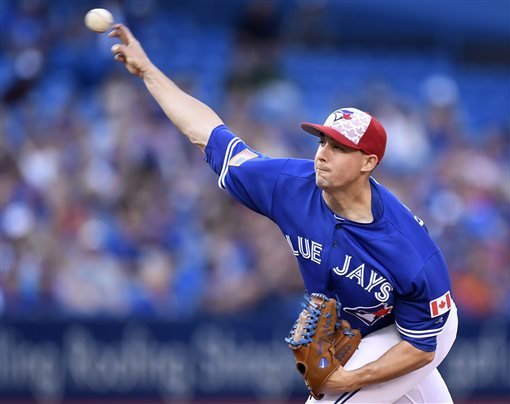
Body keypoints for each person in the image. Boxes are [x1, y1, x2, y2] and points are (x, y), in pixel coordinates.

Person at [108, 24, 458, 403]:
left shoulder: (408, 246)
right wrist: (148, 72)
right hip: (367, 329)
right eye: (322, 140)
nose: (322, 153)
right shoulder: (288, 185)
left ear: (368, 162)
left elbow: (421, 349)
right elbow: (206, 131)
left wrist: (350, 377)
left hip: (417, 331)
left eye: (339, 148)